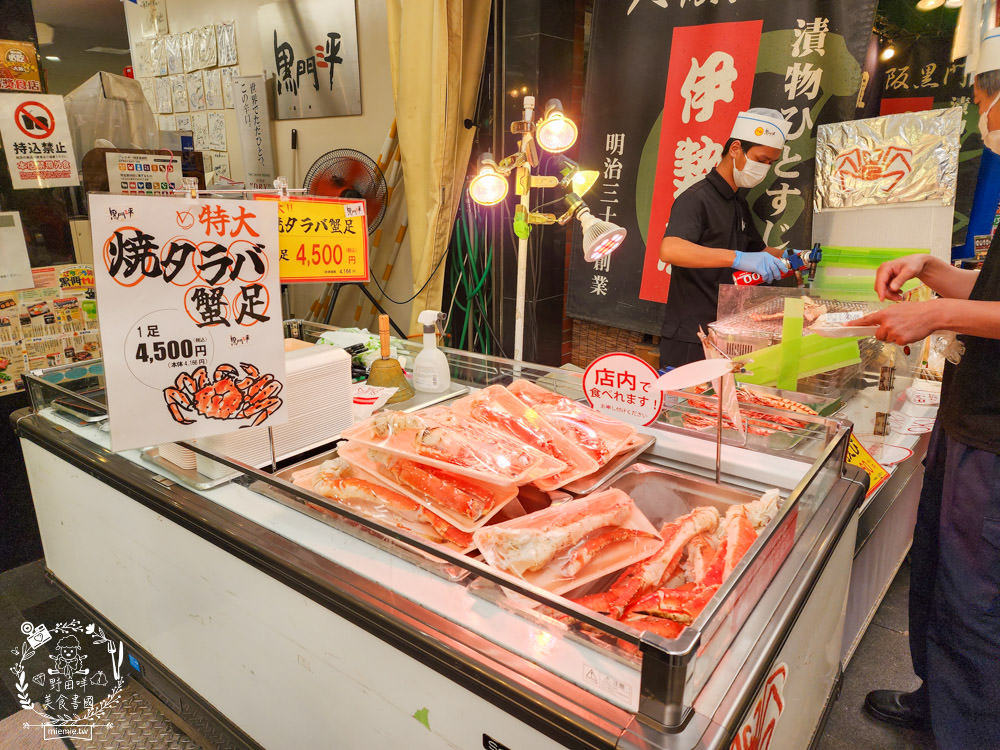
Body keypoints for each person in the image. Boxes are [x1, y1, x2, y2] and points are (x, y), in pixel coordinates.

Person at [855, 28, 1000, 750]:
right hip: (968, 418)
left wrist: (936, 313)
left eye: (987, 99)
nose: (985, 113)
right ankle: (935, 699)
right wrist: (936, 273)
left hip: (997, 439)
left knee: (980, 598)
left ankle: (968, 732)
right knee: (942, 575)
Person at [658, 108, 793, 368]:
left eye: (770, 164)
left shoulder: (738, 204)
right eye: (761, 159)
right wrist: (738, 258)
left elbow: (761, 252)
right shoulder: (696, 198)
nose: (765, 169)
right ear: (735, 148)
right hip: (690, 336)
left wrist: (794, 258)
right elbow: (670, 249)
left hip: (726, 334)